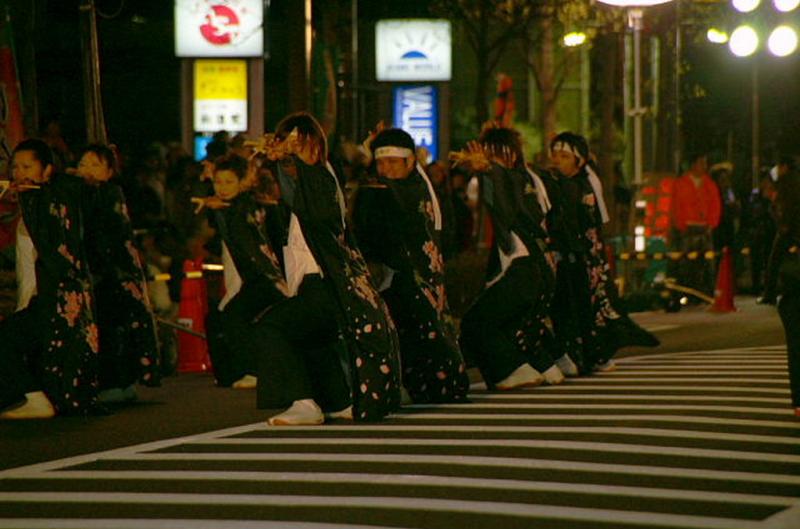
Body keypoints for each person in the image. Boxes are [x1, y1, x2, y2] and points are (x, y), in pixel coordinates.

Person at [252, 112, 401, 425]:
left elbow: (317, 213)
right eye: (287, 144)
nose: (292, 151)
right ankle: (338, 399)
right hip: (318, 283)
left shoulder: (320, 178)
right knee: (311, 338)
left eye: (299, 143)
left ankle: (303, 402)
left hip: (325, 283)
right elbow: (290, 194)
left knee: (272, 327)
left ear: (315, 144)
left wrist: (295, 163)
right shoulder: (310, 181)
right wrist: (281, 162)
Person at [351, 127, 469, 403]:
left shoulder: (408, 189)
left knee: (420, 329)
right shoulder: (404, 186)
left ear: (411, 161)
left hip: (411, 276)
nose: (386, 169)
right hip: (403, 276)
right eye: (381, 162)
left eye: (393, 162)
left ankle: (423, 385)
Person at [451, 126, 562, 389]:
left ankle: (513, 370)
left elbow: (503, 203)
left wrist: (488, 171)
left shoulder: (506, 177)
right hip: (540, 266)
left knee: (476, 323)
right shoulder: (528, 178)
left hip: (521, 267)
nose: (487, 160)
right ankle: (547, 366)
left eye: (493, 155)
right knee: (515, 325)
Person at [0, 139, 99, 419]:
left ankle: (33, 398)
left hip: (53, 296)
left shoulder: (51, 202)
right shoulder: (32, 202)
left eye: (28, 167)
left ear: (46, 171)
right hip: (41, 294)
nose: (20, 174)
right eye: (16, 167)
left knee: (7, 339)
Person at [75, 144, 162, 403]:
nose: (87, 170)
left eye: (95, 165)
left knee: (112, 329)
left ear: (109, 171)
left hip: (111, 272)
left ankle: (116, 384)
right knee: (117, 327)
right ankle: (123, 383)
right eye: (83, 164)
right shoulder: (89, 193)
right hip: (114, 271)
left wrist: (102, 267)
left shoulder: (107, 195)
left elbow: (106, 236)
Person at [196, 153, 289, 389]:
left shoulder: (248, 205)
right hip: (254, 278)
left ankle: (253, 371)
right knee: (223, 317)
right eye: (218, 182)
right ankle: (230, 374)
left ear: (242, 182)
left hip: (266, 277)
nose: (223, 187)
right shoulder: (226, 207)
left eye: (229, 182)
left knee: (234, 315)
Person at [670, 151, 721, 297]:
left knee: (706, 262)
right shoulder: (681, 184)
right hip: (687, 227)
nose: (704, 166)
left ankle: (706, 292)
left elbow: (715, 205)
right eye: (701, 163)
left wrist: (711, 224)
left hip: (704, 227)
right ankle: (687, 292)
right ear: (693, 165)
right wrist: (680, 225)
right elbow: (676, 206)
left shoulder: (709, 184)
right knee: (686, 263)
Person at [772, 165, 800, 417]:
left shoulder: (787, 227)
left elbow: (775, 258)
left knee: (796, 344)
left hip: (792, 286)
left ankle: (799, 400)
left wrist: (769, 291)